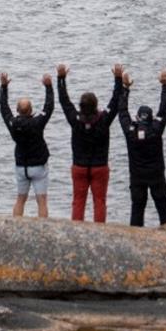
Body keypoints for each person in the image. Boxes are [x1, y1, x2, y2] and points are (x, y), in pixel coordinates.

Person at [57, 62, 123, 222]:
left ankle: (76, 230)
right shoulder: (103, 119)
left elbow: (64, 102)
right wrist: (118, 79)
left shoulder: (75, 119)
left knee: (78, 201)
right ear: (96, 105)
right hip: (99, 166)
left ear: (81, 106)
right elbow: (115, 102)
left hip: (79, 166)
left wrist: (61, 79)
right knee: (99, 201)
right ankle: (99, 231)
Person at [119, 69, 166, 226]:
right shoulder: (156, 129)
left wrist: (125, 88)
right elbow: (164, 110)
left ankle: (136, 237)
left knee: (137, 208)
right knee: (163, 209)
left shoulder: (130, 131)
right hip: (156, 174)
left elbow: (122, 112)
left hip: (137, 175)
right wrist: (165, 86)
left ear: (136, 118)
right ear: (151, 118)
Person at [0, 71, 54, 217]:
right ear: (31, 110)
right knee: (42, 201)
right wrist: (49, 87)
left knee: (20, 199)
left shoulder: (13, 123)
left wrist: (3, 87)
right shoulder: (37, 122)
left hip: (21, 166)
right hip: (38, 167)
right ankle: (43, 229)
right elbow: (49, 108)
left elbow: (4, 108)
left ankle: (16, 227)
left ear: (17, 110)